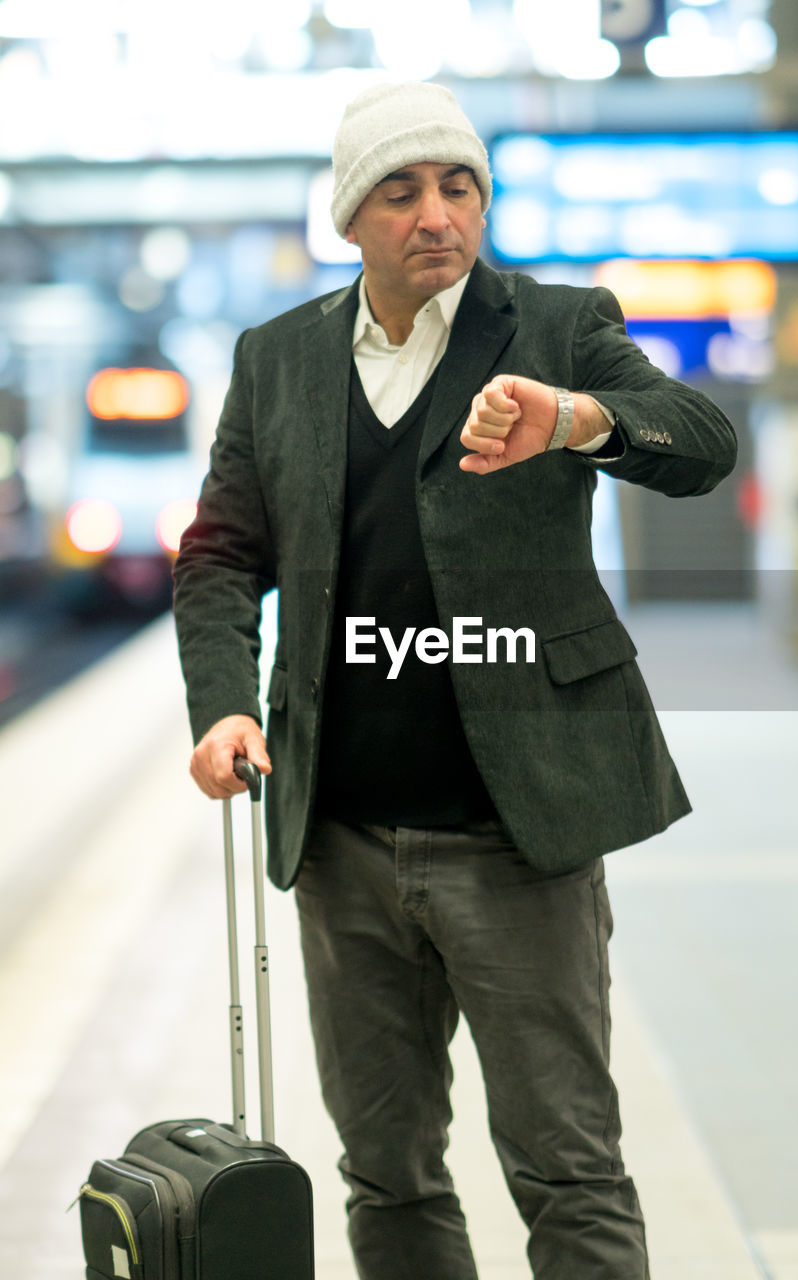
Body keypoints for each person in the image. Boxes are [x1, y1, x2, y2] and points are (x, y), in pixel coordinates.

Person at [174, 81, 737, 1280]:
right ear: (351, 217)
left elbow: (697, 439)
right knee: (386, 1172)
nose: (438, 213)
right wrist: (224, 701)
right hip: (338, 840)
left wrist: (579, 418)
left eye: (460, 184)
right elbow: (222, 552)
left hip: (514, 831)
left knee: (567, 1164)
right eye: (403, 189)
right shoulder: (274, 360)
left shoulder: (558, 324)